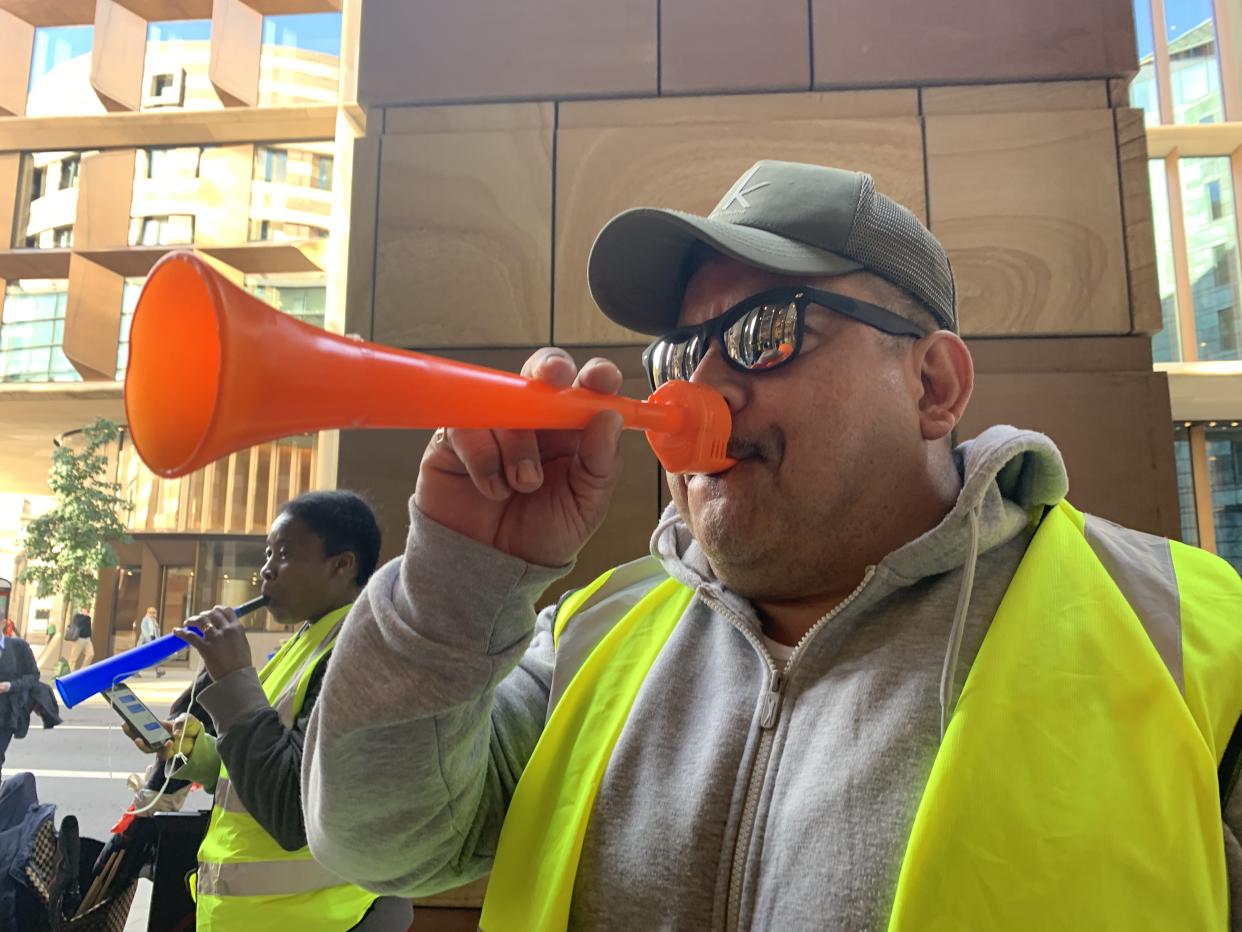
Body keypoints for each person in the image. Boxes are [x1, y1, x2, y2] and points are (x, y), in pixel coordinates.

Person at [301, 162, 1242, 930]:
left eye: (764, 331)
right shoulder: (594, 636)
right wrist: (463, 572)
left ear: (932, 386)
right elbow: (382, 840)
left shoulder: (1190, 638)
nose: (694, 390)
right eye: (679, 352)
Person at [130, 490, 409, 931]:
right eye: (267, 553)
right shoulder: (304, 644)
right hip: (248, 917)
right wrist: (189, 750)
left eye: (284, 554)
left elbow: (290, 810)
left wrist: (235, 677)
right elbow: (252, 767)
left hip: (314, 920)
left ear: (341, 564)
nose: (265, 569)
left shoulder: (364, 655)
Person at [0, 631, 41, 781]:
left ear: (2, 623)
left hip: (6, 714)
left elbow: (33, 676)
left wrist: (10, 686)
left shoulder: (19, 647)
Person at [132, 607, 164, 678]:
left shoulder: (154, 621)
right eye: (151, 612)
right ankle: (134, 672)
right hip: (145, 642)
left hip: (153, 641)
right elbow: (145, 632)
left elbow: (157, 632)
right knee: (141, 658)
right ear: (147, 613)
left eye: (154, 613)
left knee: (156, 656)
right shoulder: (145, 620)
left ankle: (158, 671)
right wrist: (150, 642)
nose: (152, 614)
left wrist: (158, 640)